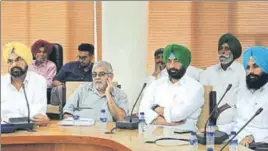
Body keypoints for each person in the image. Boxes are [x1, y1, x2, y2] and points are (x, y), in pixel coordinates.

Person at [139, 44, 204, 131]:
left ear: (185, 63)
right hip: (154, 133)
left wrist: (155, 108)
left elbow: (177, 114)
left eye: (176, 61)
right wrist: (163, 121)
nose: (172, 66)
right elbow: (142, 110)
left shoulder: (196, 88)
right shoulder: (156, 84)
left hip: (183, 136)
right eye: (169, 61)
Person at [215, 46, 268, 147]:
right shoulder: (243, 91)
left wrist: (253, 137)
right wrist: (217, 129)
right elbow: (238, 124)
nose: (250, 72)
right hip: (236, 144)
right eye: (247, 67)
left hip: (260, 145)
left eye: (255, 66)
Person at [200, 33, 245, 126]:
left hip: (232, 120)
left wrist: (220, 109)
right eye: (220, 48)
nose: (222, 52)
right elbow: (202, 94)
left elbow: (242, 98)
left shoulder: (242, 71)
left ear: (234, 51)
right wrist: (211, 111)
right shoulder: (209, 71)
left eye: (227, 49)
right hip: (208, 116)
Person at [1, 42, 49, 126]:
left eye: (18, 60)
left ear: (27, 61)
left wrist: (44, 120)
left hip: (32, 130)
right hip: (5, 131)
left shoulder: (39, 81)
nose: (14, 64)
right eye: (10, 61)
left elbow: (40, 113)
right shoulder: (2, 82)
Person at [63, 61, 129, 122]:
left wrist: (108, 95)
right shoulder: (82, 89)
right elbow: (67, 112)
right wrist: (73, 126)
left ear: (110, 76)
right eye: (94, 74)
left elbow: (121, 119)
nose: (97, 77)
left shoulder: (120, 94)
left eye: (101, 74)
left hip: (106, 132)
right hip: (81, 130)